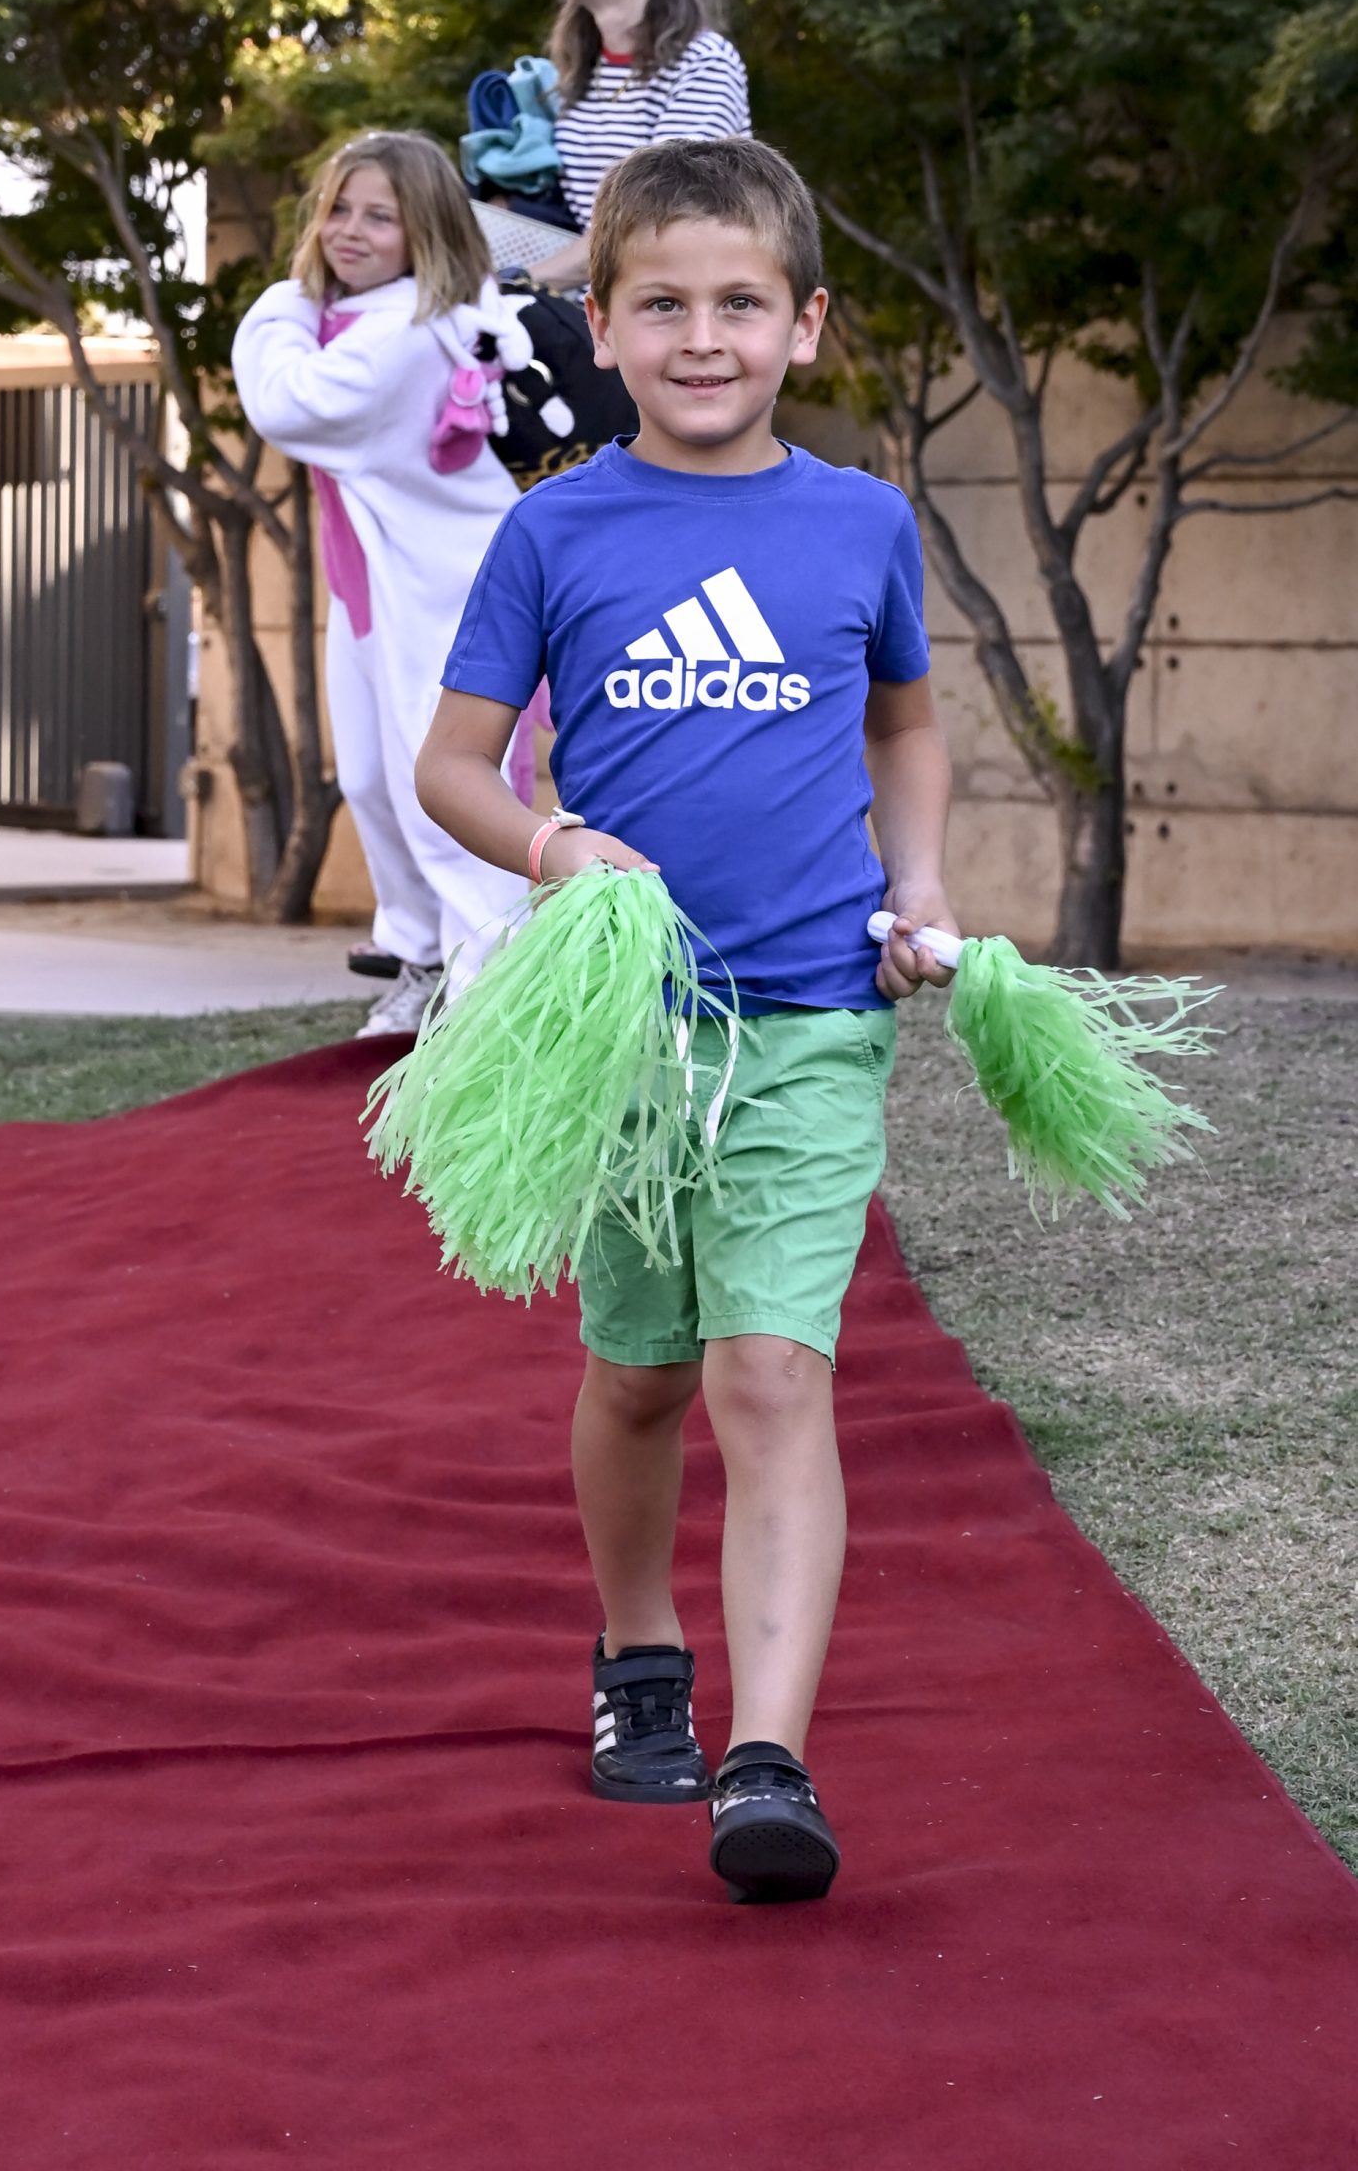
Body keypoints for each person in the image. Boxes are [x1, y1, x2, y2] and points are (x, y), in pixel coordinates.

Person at [414, 136, 959, 1901]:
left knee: (767, 1370)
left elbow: (903, 724)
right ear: (600, 324)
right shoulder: (554, 529)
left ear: (806, 325)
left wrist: (919, 881)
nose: (702, 337)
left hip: (810, 1014)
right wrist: (551, 844)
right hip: (626, 1031)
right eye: (661, 305)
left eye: (740, 303)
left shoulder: (861, 523)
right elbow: (451, 765)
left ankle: (766, 1759)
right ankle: (638, 1645)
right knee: (643, 1373)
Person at [232, 132, 531, 1038]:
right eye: (338, 209)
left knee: (445, 787)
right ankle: (424, 957)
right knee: (368, 777)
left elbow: (285, 402)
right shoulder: (378, 317)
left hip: (450, 593)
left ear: (425, 234)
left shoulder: (400, 336)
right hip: (376, 587)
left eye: (380, 217)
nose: (348, 231)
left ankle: (489, 990)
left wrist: (285, 298)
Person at [521, 0, 752, 293]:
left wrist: (521, 281)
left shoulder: (704, 63)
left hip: (681, 312)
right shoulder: (576, 80)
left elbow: (651, 218)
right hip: (597, 310)